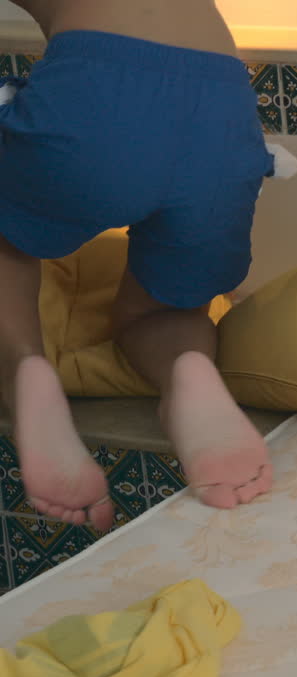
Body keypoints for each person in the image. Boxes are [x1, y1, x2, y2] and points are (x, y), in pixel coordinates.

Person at [0, 0, 275, 532]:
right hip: (223, 101)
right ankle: (185, 372)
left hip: (97, 84)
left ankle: (23, 367)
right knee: (163, 309)